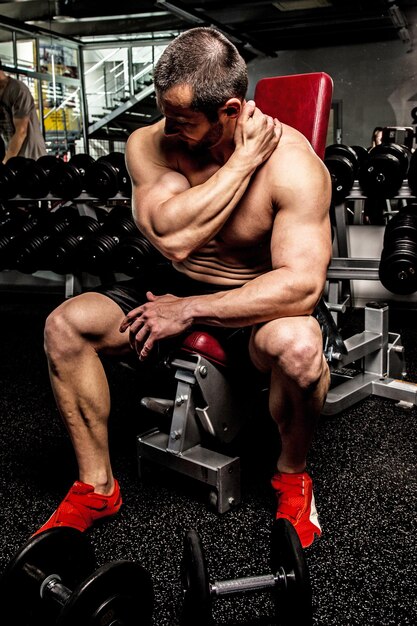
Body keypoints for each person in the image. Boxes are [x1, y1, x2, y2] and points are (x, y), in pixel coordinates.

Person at [35, 27, 332, 549]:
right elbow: (172, 238)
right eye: (165, 114)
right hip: (170, 282)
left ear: (232, 111)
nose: (167, 129)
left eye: (184, 121)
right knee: (66, 326)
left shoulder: (294, 165)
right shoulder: (152, 143)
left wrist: (190, 311)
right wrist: (240, 163)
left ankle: (291, 475)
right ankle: (96, 485)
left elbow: (301, 287)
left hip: (255, 297)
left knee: (301, 348)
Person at [0, 59, 47, 163]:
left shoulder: (17, 90)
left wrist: (6, 163)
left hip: (31, 157)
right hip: (14, 158)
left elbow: (21, 132)